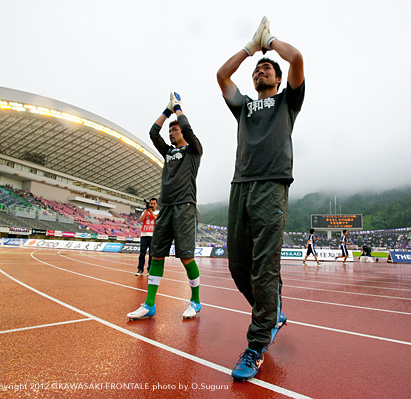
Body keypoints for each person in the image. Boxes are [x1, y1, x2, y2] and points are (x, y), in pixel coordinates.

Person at [217, 16, 305, 381]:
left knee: (264, 267)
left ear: (279, 78)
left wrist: (270, 43)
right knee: (238, 265)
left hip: (272, 184)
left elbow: (297, 57)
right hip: (241, 185)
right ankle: (272, 309)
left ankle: (256, 346)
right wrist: (250, 49)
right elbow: (222, 77)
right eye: (258, 70)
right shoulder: (243, 107)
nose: (262, 70)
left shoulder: (288, 101)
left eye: (268, 69)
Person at [127, 92, 204, 320]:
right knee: (157, 255)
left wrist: (178, 108)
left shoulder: (193, 151)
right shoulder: (168, 152)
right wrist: (167, 111)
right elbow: (153, 133)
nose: (171, 133)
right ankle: (150, 304)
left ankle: (196, 301)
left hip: (185, 207)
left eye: (174, 129)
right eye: (170, 130)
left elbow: (188, 131)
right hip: (167, 207)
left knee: (186, 257)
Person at [135, 198, 159, 276]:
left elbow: (157, 220)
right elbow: (141, 220)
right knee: (142, 253)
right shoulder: (145, 212)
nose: (152, 205)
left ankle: (150, 270)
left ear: (156, 204)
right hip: (144, 235)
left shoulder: (158, 212)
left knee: (151, 254)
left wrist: (151, 212)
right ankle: (140, 269)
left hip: (153, 236)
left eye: (153, 204)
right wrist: (146, 211)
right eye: (151, 203)